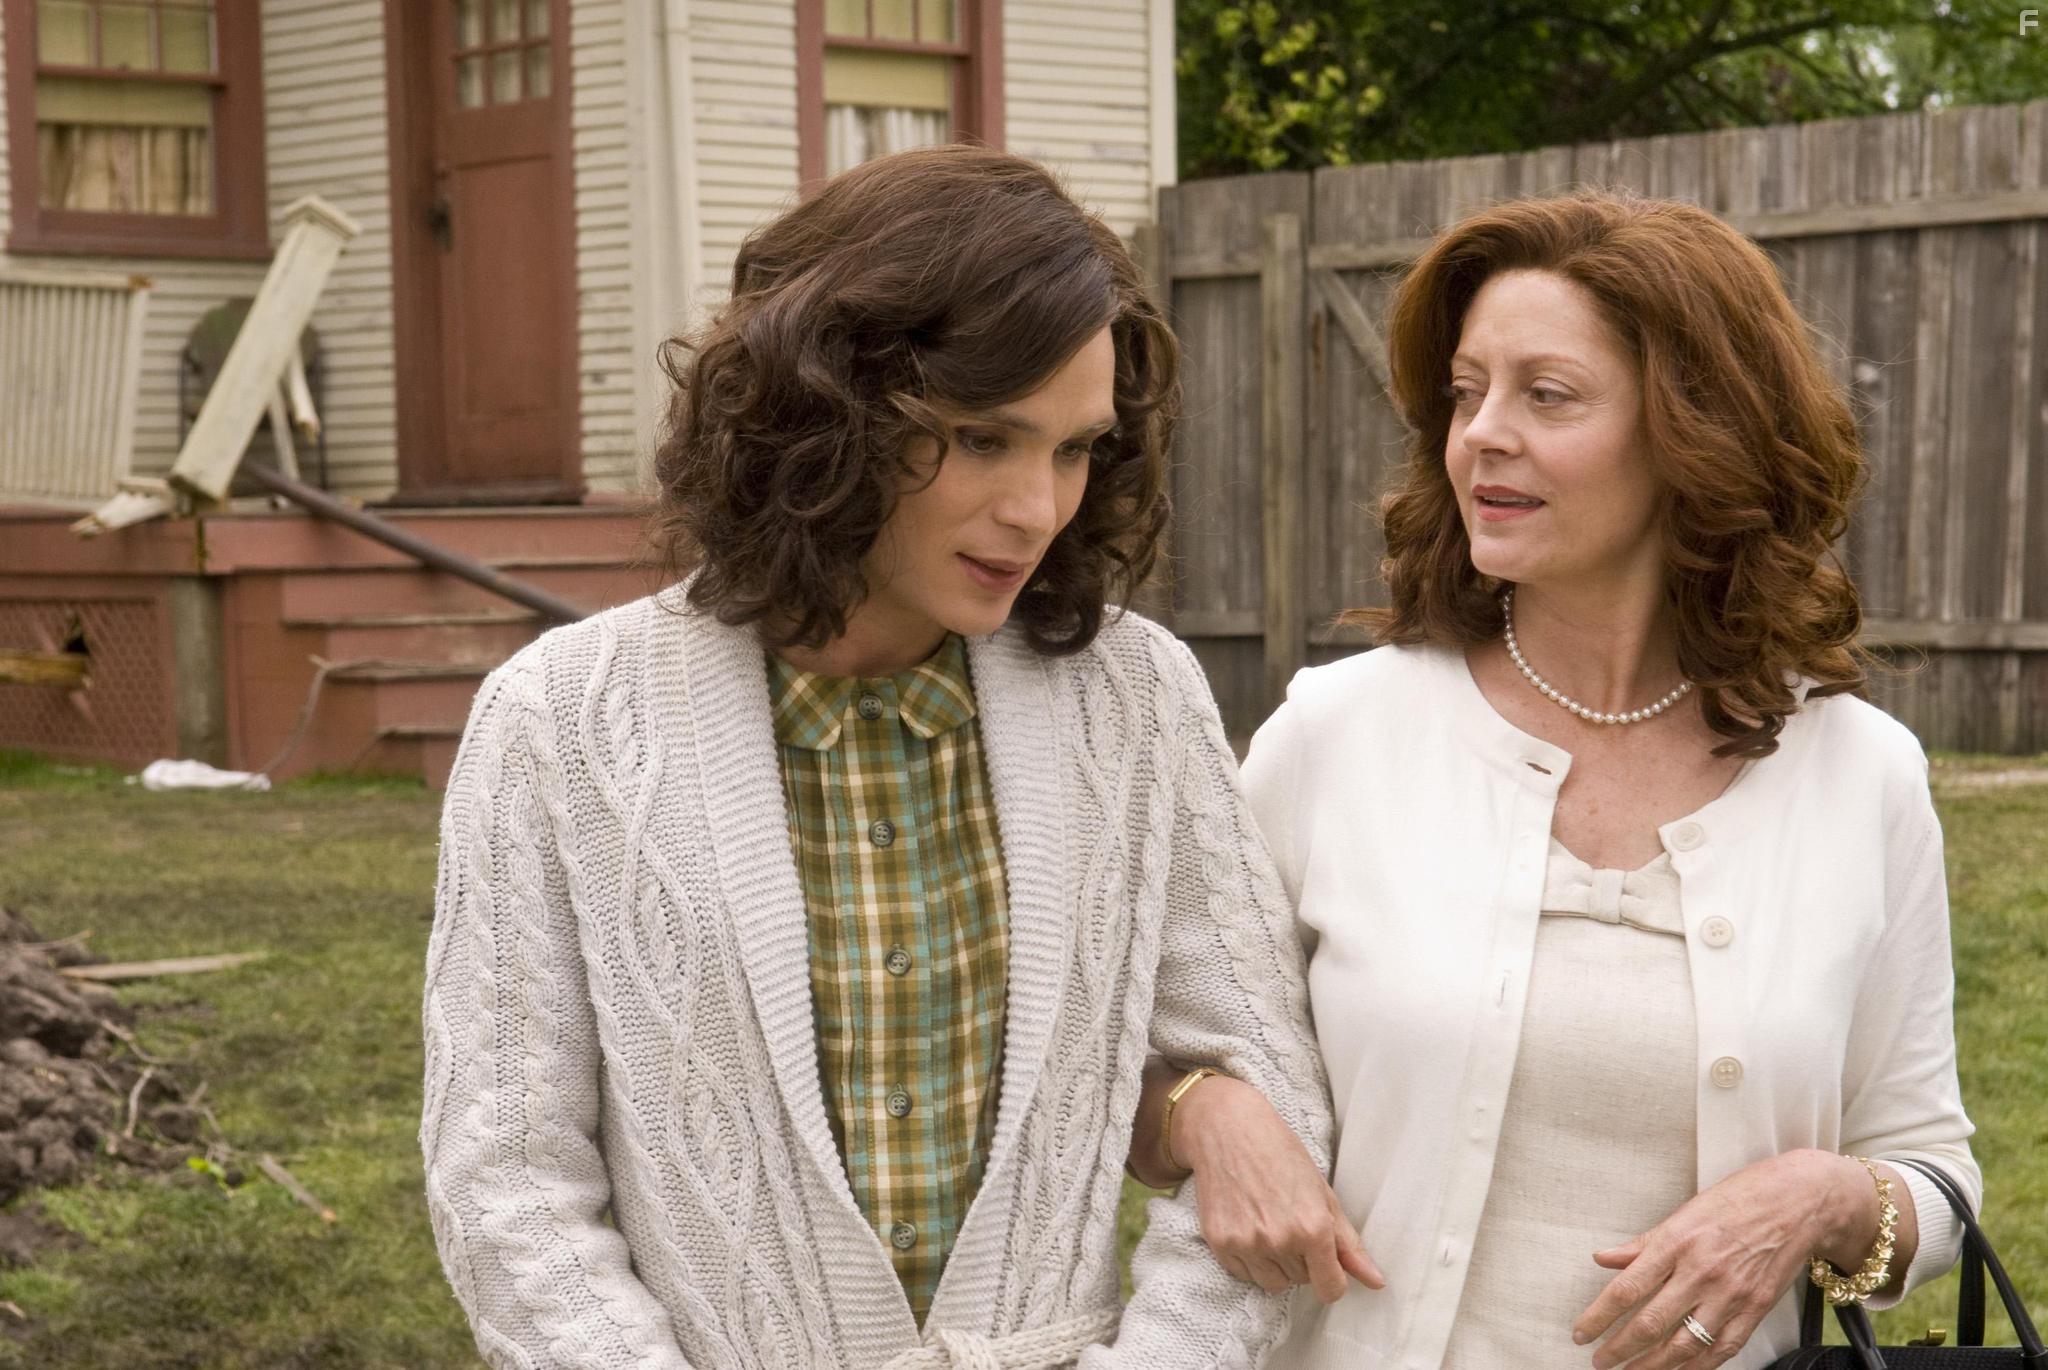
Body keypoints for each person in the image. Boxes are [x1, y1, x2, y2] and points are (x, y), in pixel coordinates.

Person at [419, 145, 1332, 1370]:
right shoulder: (557, 720)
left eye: (1073, 449)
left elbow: (1261, 1085)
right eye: (983, 439)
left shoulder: (1135, 697)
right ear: (824, 412)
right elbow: (508, 1179)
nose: (1037, 508)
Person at [1129, 190, 1979, 1370]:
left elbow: (1931, 1168)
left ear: (1693, 430)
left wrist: (1820, 1195)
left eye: (1547, 395)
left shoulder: (1859, 776)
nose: (1479, 433)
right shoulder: (1338, 735)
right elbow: (1126, 1064)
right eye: (1465, 392)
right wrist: (1200, 1111)